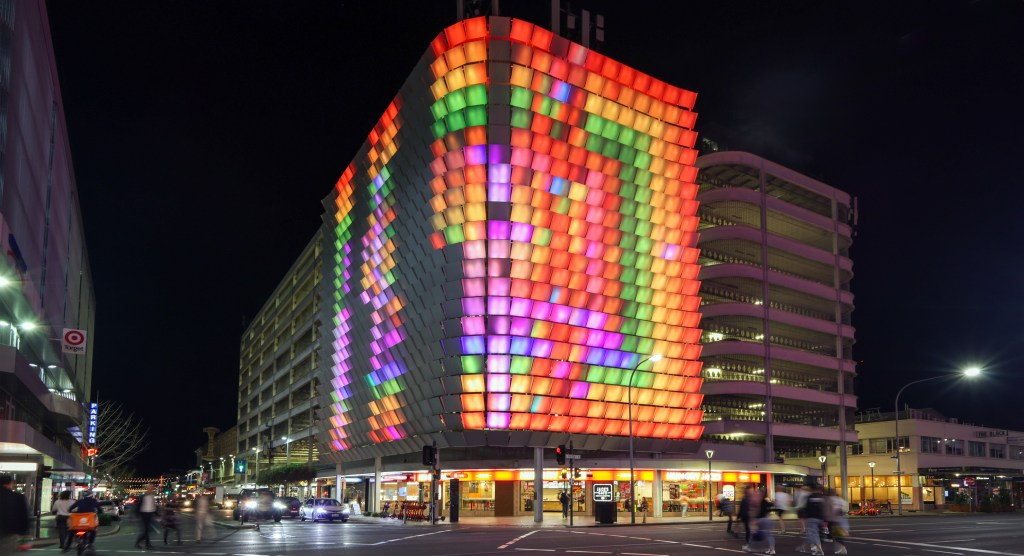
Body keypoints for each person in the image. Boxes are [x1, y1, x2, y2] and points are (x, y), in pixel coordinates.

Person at [0, 474, 31, 554]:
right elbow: (24, 518)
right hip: (8, 534)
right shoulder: (18, 497)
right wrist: (24, 535)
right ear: (10, 483)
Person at [798, 486, 827, 555]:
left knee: (813, 534)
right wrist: (825, 519)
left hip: (812, 518)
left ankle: (819, 550)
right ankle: (808, 547)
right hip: (821, 518)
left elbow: (807, 508)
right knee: (815, 534)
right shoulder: (822, 497)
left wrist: (805, 516)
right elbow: (824, 508)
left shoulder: (809, 497)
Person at [135, 484, 157, 550]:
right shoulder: (143, 496)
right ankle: (140, 543)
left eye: (151, 488)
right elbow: (138, 505)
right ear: (147, 489)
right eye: (150, 488)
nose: (151, 489)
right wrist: (137, 514)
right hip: (144, 514)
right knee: (146, 530)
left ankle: (147, 544)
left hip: (150, 514)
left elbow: (153, 506)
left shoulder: (152, 496)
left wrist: (157, 514)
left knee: (148, 530)